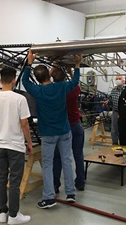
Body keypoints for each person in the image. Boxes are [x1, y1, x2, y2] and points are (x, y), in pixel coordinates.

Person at [22, 49, 82, 209]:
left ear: (37, 78)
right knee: (67, 160)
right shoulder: (61, 87)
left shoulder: (38, 91)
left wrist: (29, 63)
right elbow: (75, 81)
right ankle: (70, 194)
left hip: (48, 134)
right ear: (49, 75)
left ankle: (49, 198)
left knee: (48, 164)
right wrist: (77, 65)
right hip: (64, 130)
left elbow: (25, 82)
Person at [0, 67, 32, 225]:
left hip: (0, 145)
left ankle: (2, 213)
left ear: (0, 80)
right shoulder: (20, 99)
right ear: (14, 80)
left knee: (1, 179)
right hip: (15, 146)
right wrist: (29, 143)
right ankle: (14, 215)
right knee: (14, 181)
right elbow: (24, 124)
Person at [52, 67, 85, 193]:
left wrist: (52, 70)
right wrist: (72, 71)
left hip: (61, 127)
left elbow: (45, 84)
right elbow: (76, 83)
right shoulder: (72, 89)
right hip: (75, 125)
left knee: (58, 157)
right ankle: (80, 182)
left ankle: (55, 185)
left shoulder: (53, 91)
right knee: (78, 155)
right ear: (65, 78)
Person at [106, 74, 124, 145]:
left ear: (122, 80)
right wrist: (107, 101)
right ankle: (115, 143)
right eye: (117, 79)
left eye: (119, 78)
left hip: (123, 113)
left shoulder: (125, 90)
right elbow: (110, 99)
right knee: (114, 129)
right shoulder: (113, 90)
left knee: (122, 129)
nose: (118, 80)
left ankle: (123, 143)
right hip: (115, 111)